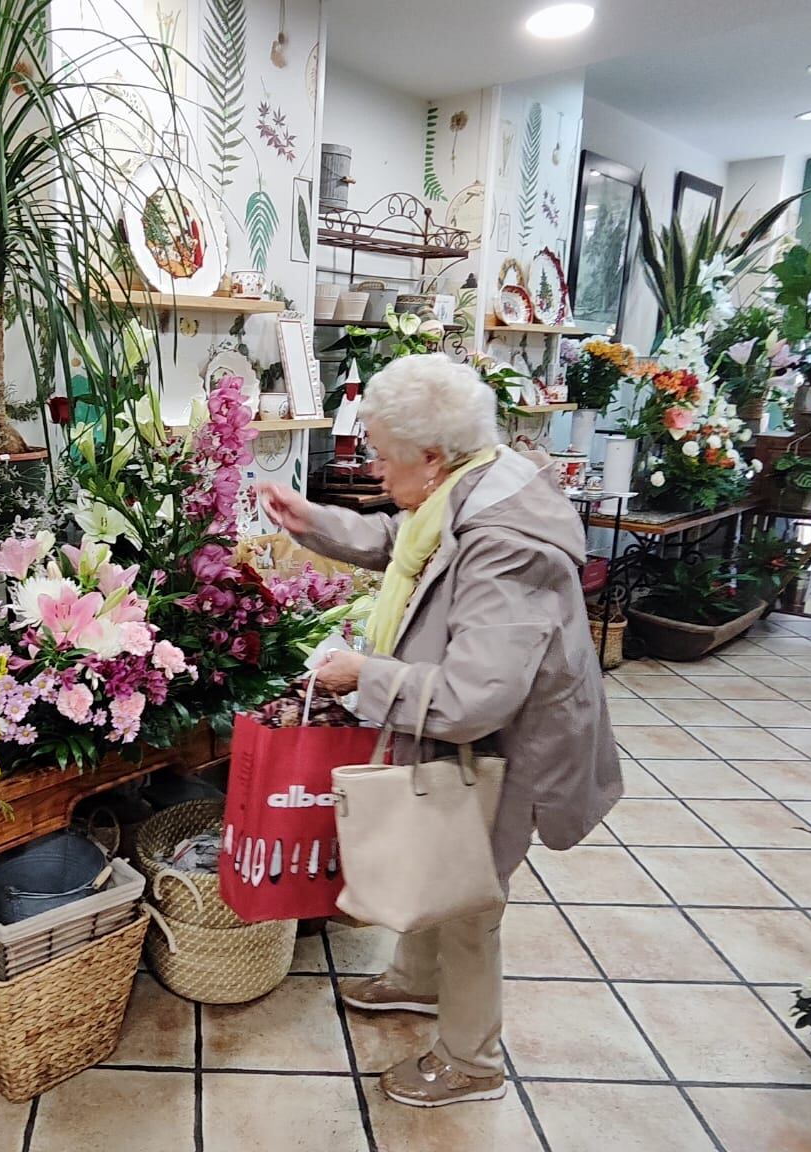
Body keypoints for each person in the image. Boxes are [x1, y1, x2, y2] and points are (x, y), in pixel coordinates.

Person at [257, 353, 620, 1108]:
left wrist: (366, 676)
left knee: (468, 898)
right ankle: (417, 982)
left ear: (431, 457)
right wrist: (314, 523)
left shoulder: (507, 540)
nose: (375, 473)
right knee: (438, 856)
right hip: (469, 746)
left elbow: (473, 698)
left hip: (502, 748)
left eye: (383, 458)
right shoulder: (469, 482)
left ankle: (473, 1061)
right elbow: (407, 544)